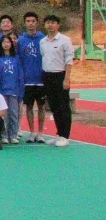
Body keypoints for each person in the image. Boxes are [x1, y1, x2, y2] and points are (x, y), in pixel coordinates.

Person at [41, 14, 75, 147]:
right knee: (54, 106)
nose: (50, 25)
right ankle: (59, 134)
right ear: (45, 25)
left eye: (53, 22)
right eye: (48, 23)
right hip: (47, 76)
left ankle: (65, 136)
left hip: (60, 76)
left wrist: (67, 79)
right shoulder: (43, 42)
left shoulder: (65, 40)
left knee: (63, 106)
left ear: (58, 25)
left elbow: (69, 60)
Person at [18, 12, 47, 143]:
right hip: (27, 80)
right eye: (28, 21)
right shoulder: (21, 40)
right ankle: (32, 132)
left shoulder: (44, 39)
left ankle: (40, 133)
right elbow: (18, 59)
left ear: (37, 22)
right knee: (29, 107)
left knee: (41, 106)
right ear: (25, 23)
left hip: (41, 80)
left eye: (33, 21)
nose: (31, 23)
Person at [0, 34, 24, 144]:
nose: (6, 44)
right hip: (2, 91)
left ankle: (14, 135)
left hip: (14, 91)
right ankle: (4, 135)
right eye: (4, 42)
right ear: (0, 44)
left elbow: (20, 75)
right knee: (4, 115)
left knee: (14, 114)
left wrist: (20, 90)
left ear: (11, 44)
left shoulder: (16, 58)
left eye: (8, 42)